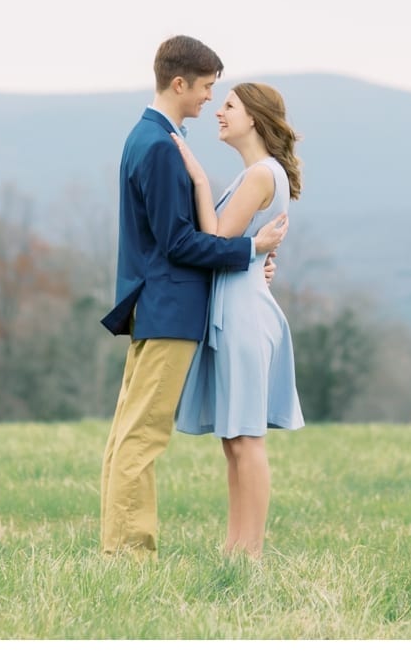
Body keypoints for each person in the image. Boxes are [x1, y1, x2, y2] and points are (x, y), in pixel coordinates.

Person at [98, 36, 288, 558]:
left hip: (157, 305)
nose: (210, 99)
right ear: (179, 83)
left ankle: (119, 549)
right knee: (142, 438)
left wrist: (250, 259)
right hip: (170, 308)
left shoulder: (150, 137)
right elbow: (177, 242)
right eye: (206, 88)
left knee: (128, 435)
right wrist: (250, 249)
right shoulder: (159, 146)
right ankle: (130, 554)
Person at [171, 82, 305, 559]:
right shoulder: (253, 175)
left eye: (228, 106)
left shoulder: (260, 176)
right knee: (234, 440)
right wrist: (256, 258)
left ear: (253, 118)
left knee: (246, 440)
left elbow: (219, 237)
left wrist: (199, 182)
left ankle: (250, 553)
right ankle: (235, 548)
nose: (218, 113)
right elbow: (238, 248)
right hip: (238, 309)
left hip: (245, 317)